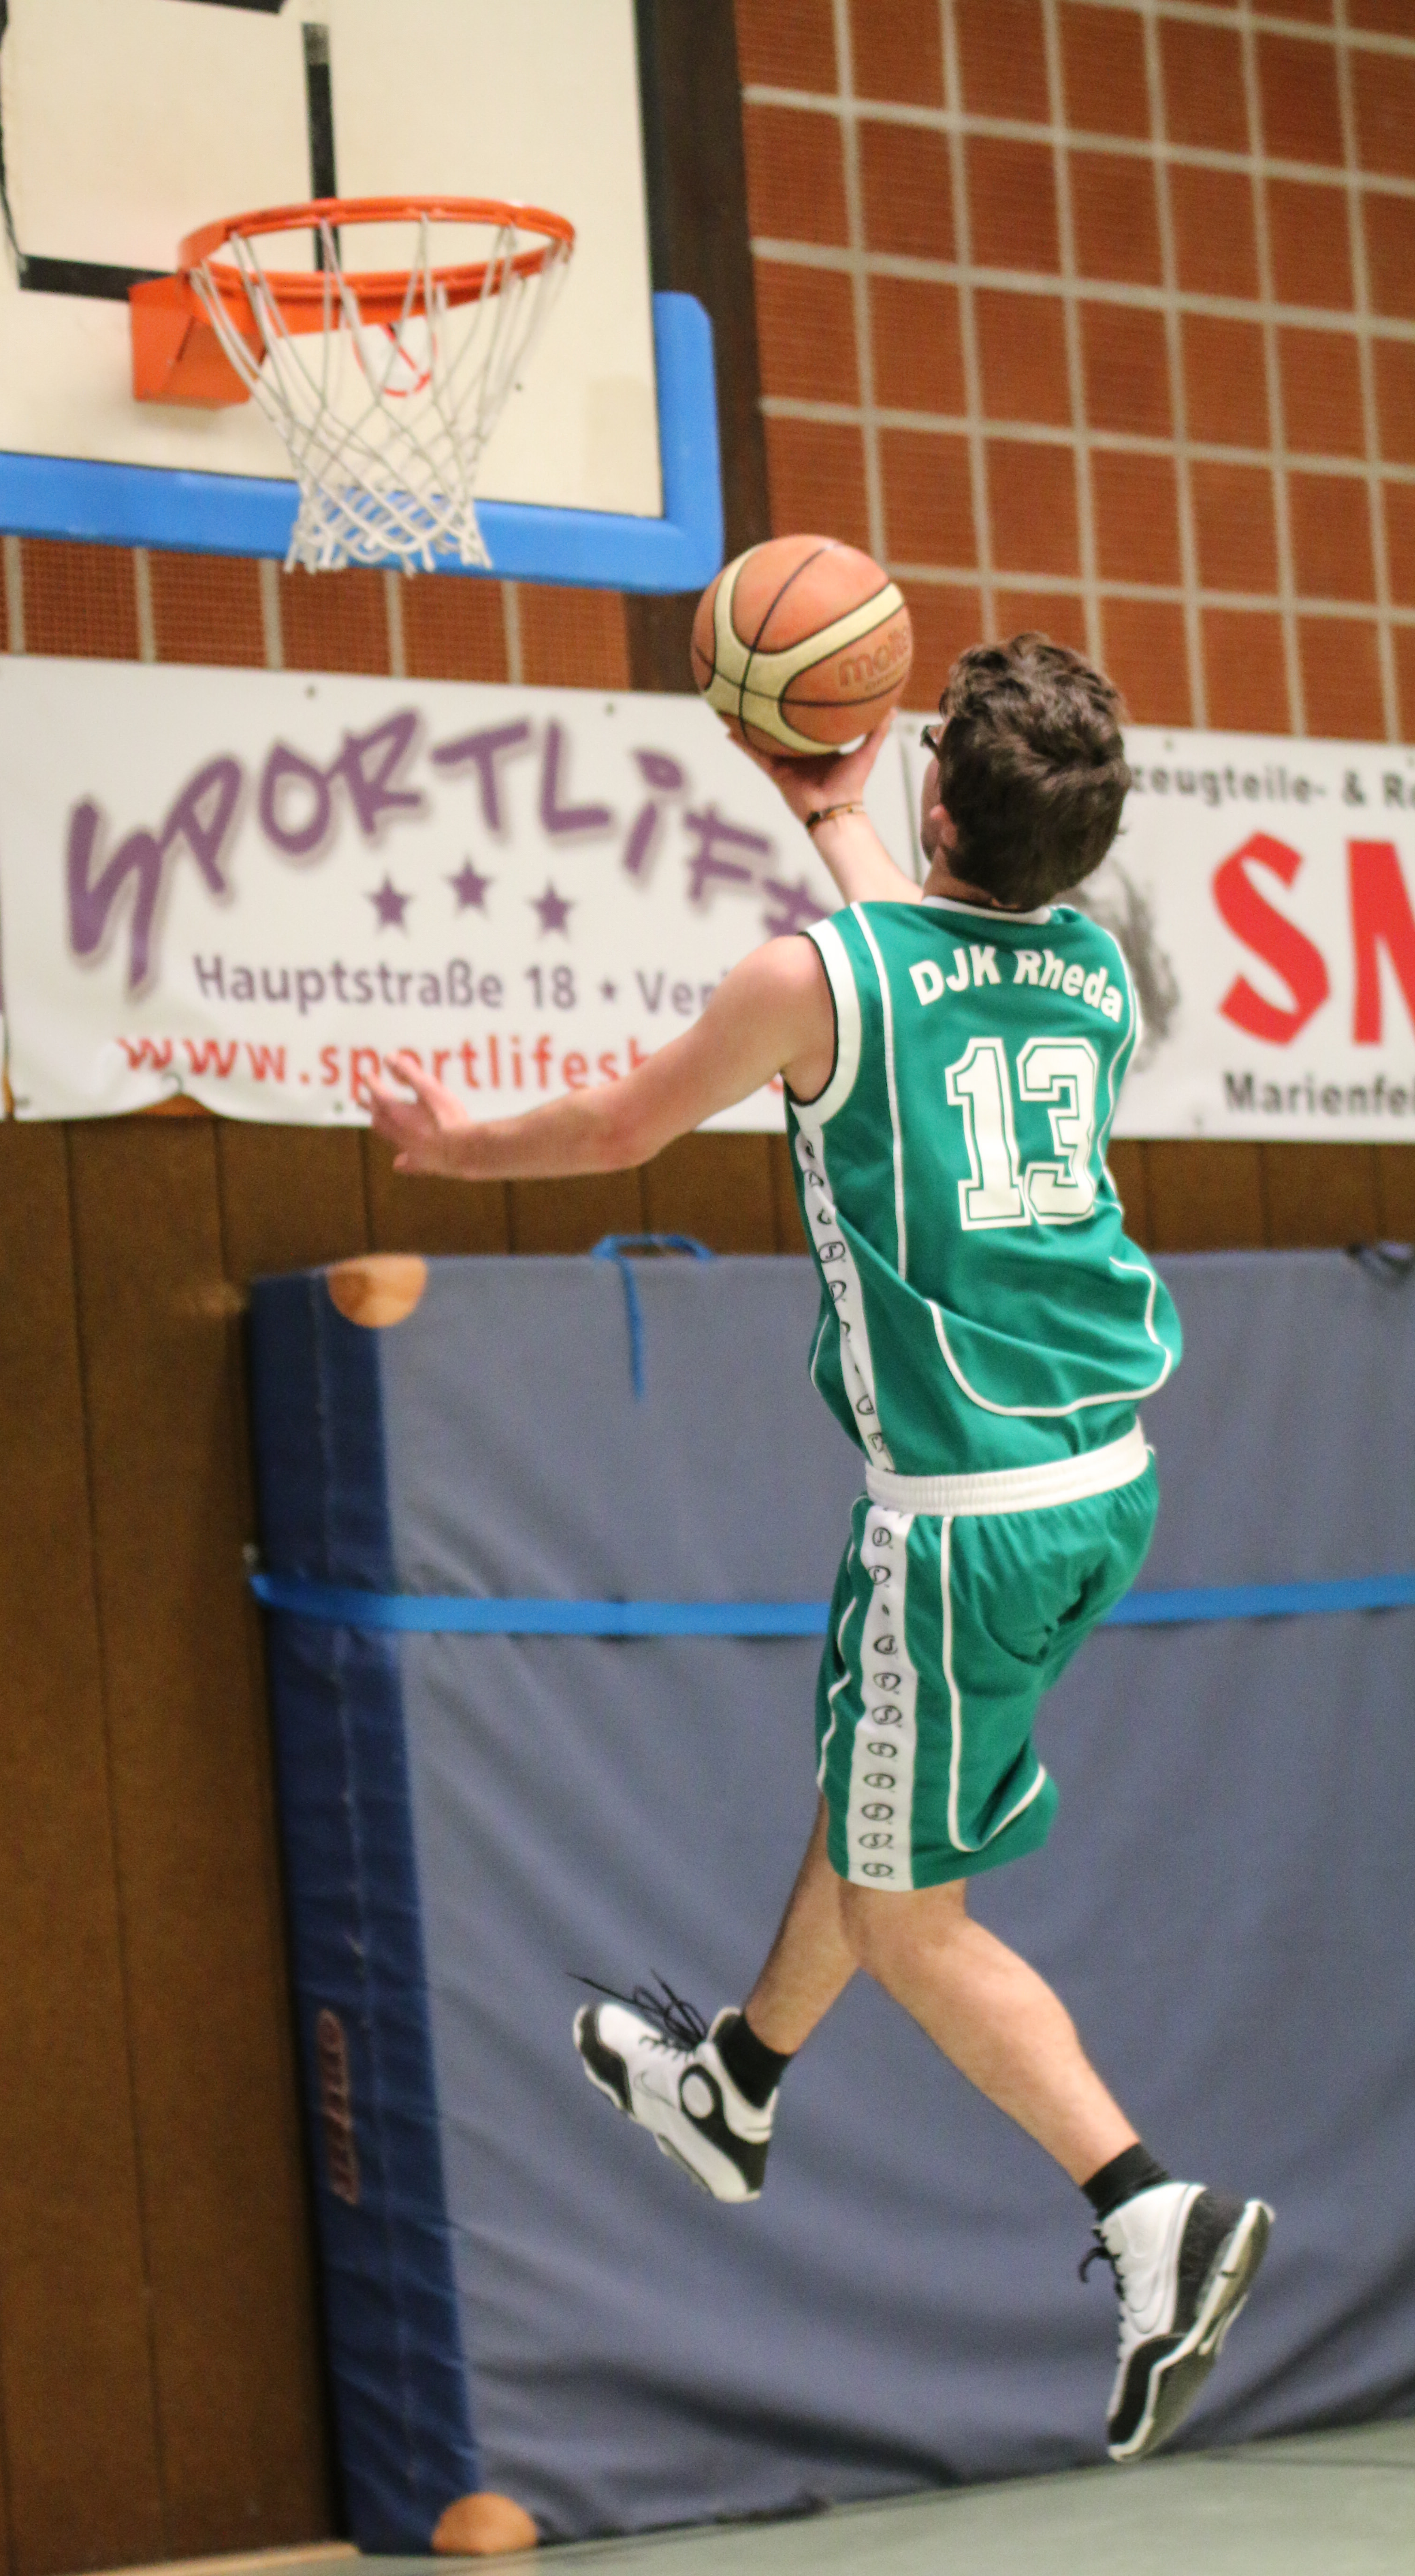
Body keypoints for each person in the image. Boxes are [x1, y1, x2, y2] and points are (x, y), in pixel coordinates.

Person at [363, 632, 1271, 2466]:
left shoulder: (812, 979)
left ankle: (1149, 2212)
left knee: (906, 1919)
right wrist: (836, 815)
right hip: (1100, 1480)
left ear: (942, 798)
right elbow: (926, 960)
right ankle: (738, 2086)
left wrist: (452, 1152)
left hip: (965, 1524)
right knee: (879, 1793)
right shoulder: (1093, 975)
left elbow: (626, 1123)